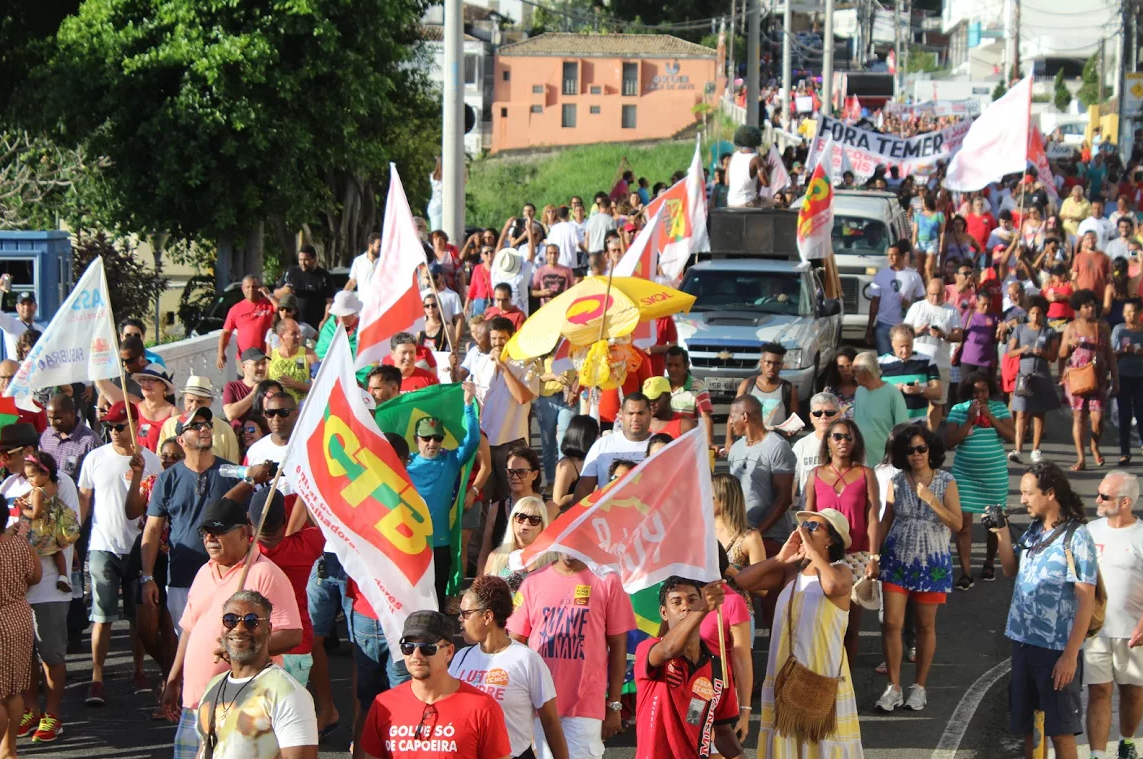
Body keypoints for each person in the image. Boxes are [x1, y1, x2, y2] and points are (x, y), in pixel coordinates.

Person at [161, 495, 302, 759]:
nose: (210, 539)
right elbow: (189, 630)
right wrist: (173, 679)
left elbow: (293, 634)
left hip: (242, 704)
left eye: (218, 531)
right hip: (195, 704)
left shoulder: (265, 574)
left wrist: (241, 650)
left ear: (243, 533)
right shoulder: (205, 571)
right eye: (206, 532)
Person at [735, 508, 864, 756]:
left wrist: (812, 553)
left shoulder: (841, 571)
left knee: (824, 742)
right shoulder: (791, 573)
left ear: (831, 539)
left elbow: (833, 586)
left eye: (814, 527)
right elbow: (742, 582)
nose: (804, 529)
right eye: (803, 525)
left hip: (821, 675)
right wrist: (779, 559)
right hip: (786, 672)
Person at [996, 462, 1097, 759]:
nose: (1022, 499)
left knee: (1061, 730)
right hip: (1024, 643)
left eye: (1028, 493)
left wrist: (1070, 655)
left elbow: (1086, 600)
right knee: (1026, 726)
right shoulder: (1034, 530)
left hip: (1055, 650)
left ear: (1050, 493)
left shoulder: (1077, 537)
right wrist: (1001, 530)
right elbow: (1009, 569)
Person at [508, 554, 636, 759]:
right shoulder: (532, 582)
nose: (570, 546)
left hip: (586, 704)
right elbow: (514, 644)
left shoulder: (608, 580)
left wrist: (614, 704)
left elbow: (618, 645)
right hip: (540, 704)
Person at [76, 406, 162, 704]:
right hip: (103, 545)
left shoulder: (151, 460)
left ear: (136, 425)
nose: (114, 430)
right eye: (109, 425)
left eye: (120, 425)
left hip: (139, 547)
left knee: (137, 616)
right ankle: (97, 677)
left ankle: (139, 670)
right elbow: (84, 500)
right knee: (102, 615)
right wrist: (74, 538)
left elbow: (157, 505)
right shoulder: (95, 458)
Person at [1, 423, 79, 744]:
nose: (3, 460)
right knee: (24, 657)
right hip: (16, 591)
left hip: (49, 583)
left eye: (7, 453)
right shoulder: (7, 485)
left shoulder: (61, 484)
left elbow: (69, 530)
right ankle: (31, 709)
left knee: (51, 654)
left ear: (28, 453)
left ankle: (54, 713)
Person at [877, 424, 962, 712]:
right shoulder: (896, 481)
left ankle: (920, 687)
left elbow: (958, 524)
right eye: (910, 450)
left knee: (925, 626)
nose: (916, 454)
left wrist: (932, 501)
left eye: (921, 449)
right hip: (896, 558)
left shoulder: (946, 481)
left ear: (931, 450)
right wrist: (875, 556)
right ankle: (893, 687)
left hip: (932, 562)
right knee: (891, 624)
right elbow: (886, 519)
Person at [141, 407, 244, 638]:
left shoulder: (232, 472)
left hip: (227, 577)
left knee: (226, 643)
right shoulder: (167, 479)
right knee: (188, 647)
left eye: (207, 424)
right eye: (195, 426)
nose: (204, 429)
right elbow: (152, 531)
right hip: (181, 577)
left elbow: (248, 526)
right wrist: (147, 577)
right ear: (181, 439)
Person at [355, 610, 511, 759]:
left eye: (427, 648)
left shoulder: (482, 708)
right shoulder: (383, 705)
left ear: (449, 652)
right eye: (408, 647)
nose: (416, 655)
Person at [452, 575, 569, 759]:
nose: (459, 619)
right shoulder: (461, 658)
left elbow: (551, 723)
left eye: (465, 613)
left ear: (487, 616)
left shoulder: (526, 660)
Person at [194, 589, 318, 759]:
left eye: (251, 621)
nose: (239, 628)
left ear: (268, 630)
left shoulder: (288, 694)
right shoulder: (214, 685)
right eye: (230, 620)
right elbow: (204, 748)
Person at [633, 576, 745, 759]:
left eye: (693, 600)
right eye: (676, 602)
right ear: (664, 612)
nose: (686, 606)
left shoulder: (717, 668)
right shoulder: (649, 649)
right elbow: (669, 649)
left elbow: (723, 731)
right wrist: (700, 607)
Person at [805, 418, 880, 660]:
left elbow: (873, 518)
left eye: (849, 437)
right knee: (820, 622)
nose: (843, 442)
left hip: (857, 556)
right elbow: (806, 520)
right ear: (827, 441)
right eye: (837, 436)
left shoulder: (866, 474)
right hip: (823, 557)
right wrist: (806, 555)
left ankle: (844, 682)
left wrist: (874, 556)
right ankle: (822, 674)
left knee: (850, 627)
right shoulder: (814, 475)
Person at [1085, 473, 1143, 759]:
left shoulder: (1141, 536)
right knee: (1098, 692)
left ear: (1126, 502)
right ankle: (1096, 754)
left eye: (1105, 496)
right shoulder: (1090, 531)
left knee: (1131, 693)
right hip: (1095, 631)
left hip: (1133, 633)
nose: (1097, 499)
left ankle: (1127, 741)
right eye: (1099, 493)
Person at [406, 386, 479, 605]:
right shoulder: (404, 463)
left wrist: (468, 405)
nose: (432, 443)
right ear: (416, 438)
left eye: (437, 438)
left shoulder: (451, 460)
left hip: (439, 543)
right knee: (412, 599)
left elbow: (473, 440)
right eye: (426, 438)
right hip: (412, 543)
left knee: (436, 599)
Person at [944, 372, 1014, 590]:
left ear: (990, 391)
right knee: (963, 525)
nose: (979, 395)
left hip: (993, 476)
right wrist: (969, 420)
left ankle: (989, 563)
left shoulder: (1000, 409)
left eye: (983, 390)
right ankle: (965, 572)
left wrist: (990, 417)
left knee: (993, 523)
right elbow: (949, 441)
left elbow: (1011, 436)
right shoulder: (958, 410)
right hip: (965, 475)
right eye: (975, 391)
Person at [249, 488, 324, 688]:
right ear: (284, 519)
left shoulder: (244, 553)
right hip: (296, 648)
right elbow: (322, 526)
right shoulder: (306, 546)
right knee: (291, 715)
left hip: (256, 646)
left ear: (250, 523)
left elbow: (221, 506)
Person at [726, 392, 796, 575]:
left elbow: (784, 498)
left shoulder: (777, 446)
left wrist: (756, 532)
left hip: (771, 538)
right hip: (740, 538)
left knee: (768, 597)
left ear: (745, 416)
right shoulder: (735, 448)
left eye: (732, 416)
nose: (730, 422)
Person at [1060, 289, 1118, 470]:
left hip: (1099, 377)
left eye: (1093, 305)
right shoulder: (1071, 327)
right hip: (1077, 377)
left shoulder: (1102, 326)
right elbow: (1061, 354)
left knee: (1098, 419)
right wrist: (1069, 345)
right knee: (1078, 417)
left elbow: (1109, 352)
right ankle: (1080, 458)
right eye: (1087, 306)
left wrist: (1116, 377)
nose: (1091, 309)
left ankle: (1094, 445)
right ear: (1078, 308)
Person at [0, 497, 40, 757]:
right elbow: (35, 576)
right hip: (19, 618)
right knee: (13, 691)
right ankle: (9, 750)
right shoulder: (18, 544)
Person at [571, 394, 655, 503]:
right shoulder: (603, 445)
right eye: (630, 413)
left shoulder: (663, 445)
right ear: (621, 415)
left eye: (641, 413)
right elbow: (584, 488)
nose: (635, 418)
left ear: (650, 414)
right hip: (607, 516)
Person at [1007, 295, 1061, 463]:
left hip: (1042, 375)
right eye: (1032, 313)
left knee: (1039, 414)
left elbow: (1053, 356)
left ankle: (1036, 449)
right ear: (1028, 313)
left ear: (1043, 314)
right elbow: (1010, 352)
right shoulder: (1020, 329)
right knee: (1022, 412)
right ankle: (1018, 449)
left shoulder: (1050, 331)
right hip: (1024, 376)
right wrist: (1023, 349)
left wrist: (1042, 353)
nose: (1035, 316)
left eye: (1038, 313)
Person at [903, 278, 962, 427]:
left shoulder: (952, 310)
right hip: (917, 362)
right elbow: (904, 332)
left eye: (939, 294)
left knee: (937, 401)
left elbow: (959, 335)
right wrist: (918, 331)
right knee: (915, 398)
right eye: (932, 294)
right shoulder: (917, 307)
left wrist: (944, 335)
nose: (935, 298)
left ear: (945, 293)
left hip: (941, 362)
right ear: (926, 293)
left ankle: (931, 435)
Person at [156, 377, 241, 462]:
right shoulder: (169, 425)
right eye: (190, 401)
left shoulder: (225, 430)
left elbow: (233, 465)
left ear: (210, 402)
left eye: (200, 402)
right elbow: (160, 460)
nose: (194, 406)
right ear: (184, 400)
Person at [866, 240, 925, 356]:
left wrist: (910, 305)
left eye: (894, 254)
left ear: (903, 255)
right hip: (883, 325)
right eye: (889, 255)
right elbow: (874, 302)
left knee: (902, 358)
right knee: (885, 360)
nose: (890, 258)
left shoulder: (914, 276)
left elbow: (921, 302)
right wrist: (869, 327)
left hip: (905, 326)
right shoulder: (881, 275)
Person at [482, 496, 556, 587]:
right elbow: (484, 594)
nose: (526, 523)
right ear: (512, 521)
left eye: (534, 520)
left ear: (542, 525)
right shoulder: (496, 556)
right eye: (521, 518)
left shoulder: (552, 559)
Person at [852, 351, 910, 467]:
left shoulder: (892, 393)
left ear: (867, 373)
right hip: (861, 462)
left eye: (855, 373)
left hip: (885, 464)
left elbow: (903, 430)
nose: (853, 377)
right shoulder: (859, 391)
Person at [731, 343, 797, 439]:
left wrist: (792, 430)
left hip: (776, 443)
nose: (771, 367)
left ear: (781, 365)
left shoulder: (788, 389)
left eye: (776, 363)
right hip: (749, 442)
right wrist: (728, 440)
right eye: (768, 362)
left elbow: (794, 420)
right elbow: (734, 415)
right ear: (761, 362)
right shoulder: (747, 385)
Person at [878, 325, 942, 422]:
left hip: (918, 423)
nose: (905, 350)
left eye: (908, 346)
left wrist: (920, 389)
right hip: (888, 423)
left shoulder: (927, 360)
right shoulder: (880, 363)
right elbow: (872, 394)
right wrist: (891, 391)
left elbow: (938, 393)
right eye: (901, 346)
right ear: (892, 343)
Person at [217, 275, 276, 369]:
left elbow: (282, 310)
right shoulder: (235, 309)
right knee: (244, 383)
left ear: (260, 288)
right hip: (244, 359)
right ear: (243, 289)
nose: (251, 289)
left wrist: (269, 294)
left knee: (265, 383)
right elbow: (226, 332)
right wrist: (221, 353)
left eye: (254, 287)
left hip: (266, 357)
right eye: (248, 287)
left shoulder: (268, 303)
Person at [536, 351, 577, 485]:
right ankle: (550, 481)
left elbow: (576, 372)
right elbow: (536, 375)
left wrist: (573, 387)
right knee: (548, 443)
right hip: (547, 399)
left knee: (564, 443)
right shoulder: (539, 354)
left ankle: (562, 481)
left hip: (565, 398)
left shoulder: (568, 350)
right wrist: (554, 376)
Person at [791, 392, 840, 501]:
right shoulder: (801, 446)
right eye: (817, 413)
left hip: (840, 514)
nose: (823, 417)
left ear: (839, 414)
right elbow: (791, 483)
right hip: (810, 513)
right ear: (811, 417)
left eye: (829, 413)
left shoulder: (849, 444)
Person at [274, 245, 335, 329]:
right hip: (293, 324)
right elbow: (275, 293)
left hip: (315, 324)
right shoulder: (291, 273)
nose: (302, 263)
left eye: (306, 260)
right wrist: (284, 291)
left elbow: (330, 302)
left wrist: (325, 320)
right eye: (300, 260)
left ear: (314, 259)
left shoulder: (324, 276)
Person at [316, 290, 370, 383]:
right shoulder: (328, 329)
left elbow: (369, 358)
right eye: (338, 314)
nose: (341, 318)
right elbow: (321, 353)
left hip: (359, 379)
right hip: (331, 378)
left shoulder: (365, 329)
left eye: (345, 315)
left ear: (354, 312)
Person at [664, 347, 715, 440]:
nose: (672, 369)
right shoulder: (661, 385)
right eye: (669, 365)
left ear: (687, 365)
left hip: (687, 441)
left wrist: (708, 444)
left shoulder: (698, 386)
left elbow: (706, 418)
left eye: (676, 365)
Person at [552, 415, 598, 512]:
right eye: (595, 435)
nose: (598, 438)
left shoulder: (590, 458)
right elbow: (557, 502)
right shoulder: (567, 465)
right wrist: (589, 491)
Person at [267, 319, 319, 402]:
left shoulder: (309, 355)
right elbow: (264, 388)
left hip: (302, 409)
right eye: (294, 333)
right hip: (278, 409)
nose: (299, 336)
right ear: (281, 336)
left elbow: (319, 387)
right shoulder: (270, 357)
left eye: (299, 332)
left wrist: (295, 384)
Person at [131, 364, 178, 452]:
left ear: (164, 385)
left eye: (151, 380)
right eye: (143, 380)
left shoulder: (173, 413)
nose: (145, 384)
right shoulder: (135, 406)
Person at [222, 348, 270, 426]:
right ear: (243, 367)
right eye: (257, 364)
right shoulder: (232, 387)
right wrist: (254, 393)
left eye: (263, 363)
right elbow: (230, 414)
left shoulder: (270, 386)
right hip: (241, 435)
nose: (261, 368)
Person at [0, 290, 44, 362]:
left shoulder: (41, 330)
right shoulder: (10, 323)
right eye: (22, 304)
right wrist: (1, 290)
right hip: (16, 370)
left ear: (35, 306)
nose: (26, 307)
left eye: (29, 304)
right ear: (17, 307)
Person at [913, 194, 946, 280]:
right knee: (920, 269)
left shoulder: (939, 215)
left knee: (928, 268)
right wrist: (914, 244)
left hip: (932, 242)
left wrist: (941, 245)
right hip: (920, 242)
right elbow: (915, 231)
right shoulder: (918, 215)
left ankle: (929, 288)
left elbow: (942, 232)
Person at [491, 251, 534, 317]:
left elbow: (497, 252)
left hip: (499, 316)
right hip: (520, 315)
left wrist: (501, 240)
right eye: (499, 300)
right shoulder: (521, 277)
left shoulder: (495, 273)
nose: (501, 303)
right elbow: (531, 257)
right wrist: (531, 240)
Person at [1073, 230, 1113, 297]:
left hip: (1099, 295)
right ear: (1084, 241)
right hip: (1083, 295)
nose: (1090, 241)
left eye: (1093, 238)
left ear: (1097, 239)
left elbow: (1108, 277)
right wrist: (1077, 293)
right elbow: (1074, 278)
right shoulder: (1078, 257)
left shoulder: (1104, 257)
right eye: (1088, 239)